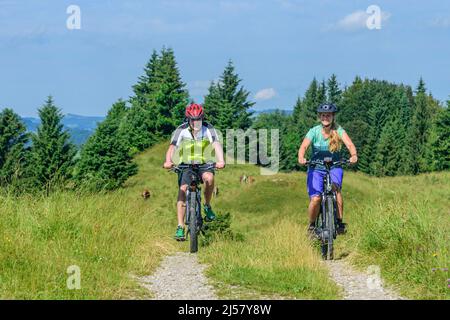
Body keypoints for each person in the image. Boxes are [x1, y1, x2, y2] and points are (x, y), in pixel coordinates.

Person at [163, 103, 225, 241]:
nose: (196, 122)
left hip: (204, 163)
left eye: (198, 119)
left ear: (202, 118)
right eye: (193, 120)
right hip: (186, 165)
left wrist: (221, 160)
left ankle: (207, 206)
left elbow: (216, 144)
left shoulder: (209, 128)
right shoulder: (181, 130)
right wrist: (168, 161)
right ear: (188, 119)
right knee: (183, 189)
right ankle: (180, 227)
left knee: (209, 178)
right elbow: (172, 147)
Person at [297, 103, 358, 236]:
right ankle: (312, 226)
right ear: (320, 117)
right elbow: (303, 147)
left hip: (334, 166)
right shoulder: (314, 131)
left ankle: (340, 222)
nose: (326, 118)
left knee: (336, 190)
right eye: (323, 115)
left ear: (333, 117)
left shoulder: (339, 131)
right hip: (316, 168)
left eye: (328, 115)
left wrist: (353, 155)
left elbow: (349, 144)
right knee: (316, 199)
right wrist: (301, 157)